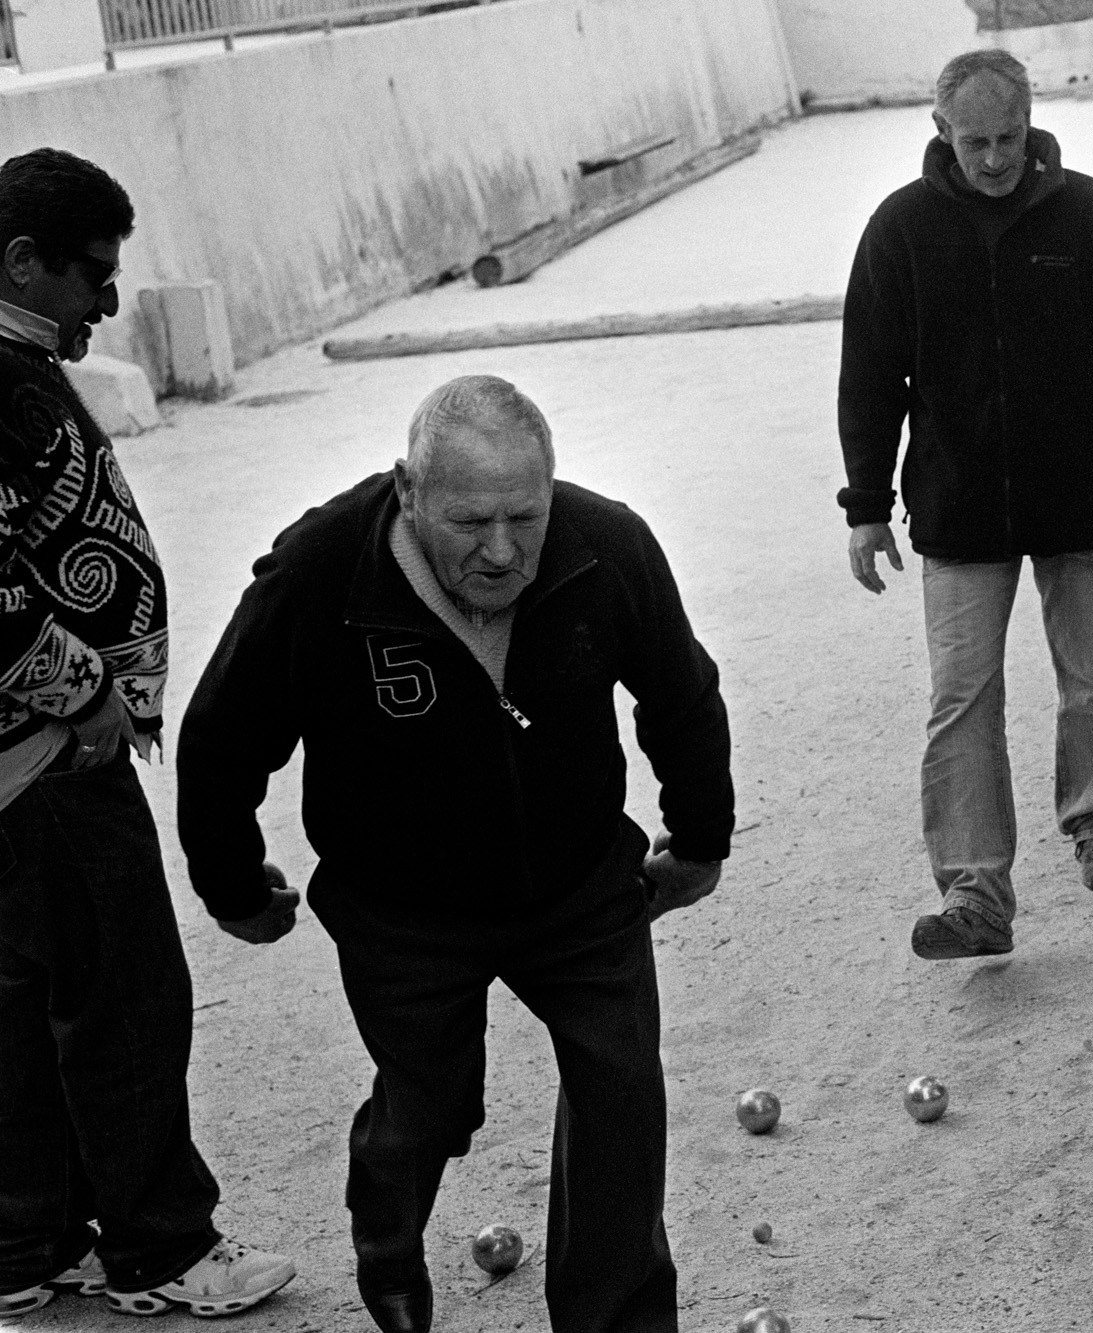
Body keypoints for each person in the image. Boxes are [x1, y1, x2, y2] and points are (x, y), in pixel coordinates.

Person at [176, 375, 733, 1333]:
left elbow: (682, 696)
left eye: (527, 513)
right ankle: (387, 1226)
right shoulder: (322, 572)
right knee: (431, 1105)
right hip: (402, 905)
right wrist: (230, 884)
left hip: (577, 883)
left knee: (622, 1090)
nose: (506, 549)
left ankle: (616, 1319)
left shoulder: (608, 546)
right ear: (408, 489)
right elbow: (223, 735)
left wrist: (701, 839)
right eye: (471, 520)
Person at [0, 147, 296, 1321]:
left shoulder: (18, 367)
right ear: (22, 260)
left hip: (24, 767)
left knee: (23, 1005)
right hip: (46, 761)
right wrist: (86, 693)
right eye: (89, 276)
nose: (106, 303)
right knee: (123, 996)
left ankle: (24, 1246)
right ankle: (161, 1248)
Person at [838, 49, 1093, 960]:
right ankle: (975, 893)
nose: (995, 158)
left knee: (1092, 678)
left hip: (1086, 497)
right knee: (960, 698)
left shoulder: (1092, 216)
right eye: (975, 141)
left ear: (1031, 122)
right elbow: (871, 377)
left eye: (1007, 137)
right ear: (940, 132)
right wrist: (866, 503)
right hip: (959, 507)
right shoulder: (901, 231)